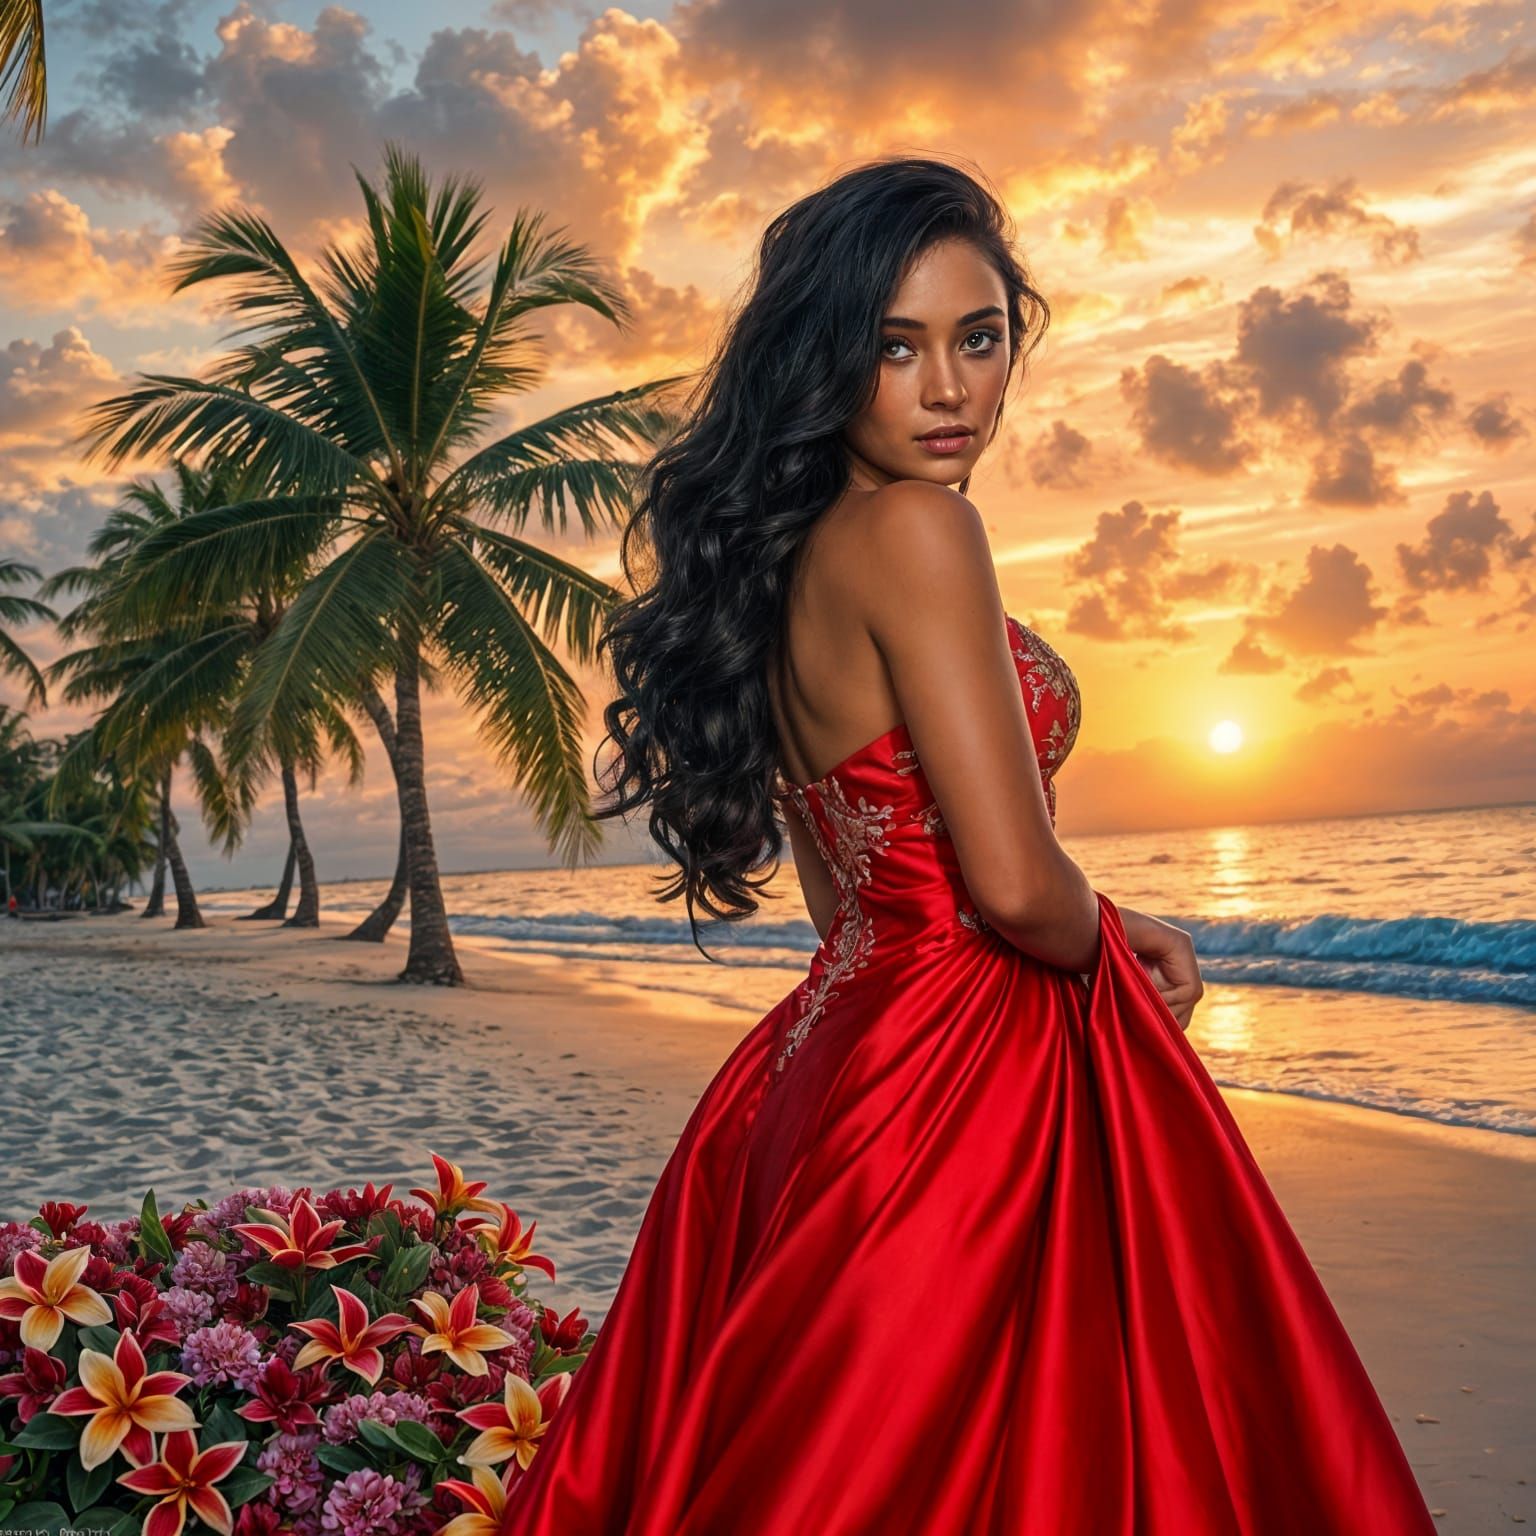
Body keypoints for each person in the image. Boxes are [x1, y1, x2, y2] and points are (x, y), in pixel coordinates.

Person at [496, 156, 1437, 1534]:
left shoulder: (786, 565)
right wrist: (1118, 938)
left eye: (979, 339)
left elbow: (847, 908)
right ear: (827, 359)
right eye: (897, 348)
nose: (949, 389)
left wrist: (1072, 918)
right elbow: (1011, 885)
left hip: (828, 1061)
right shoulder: (923, 527)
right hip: (964, 1069)